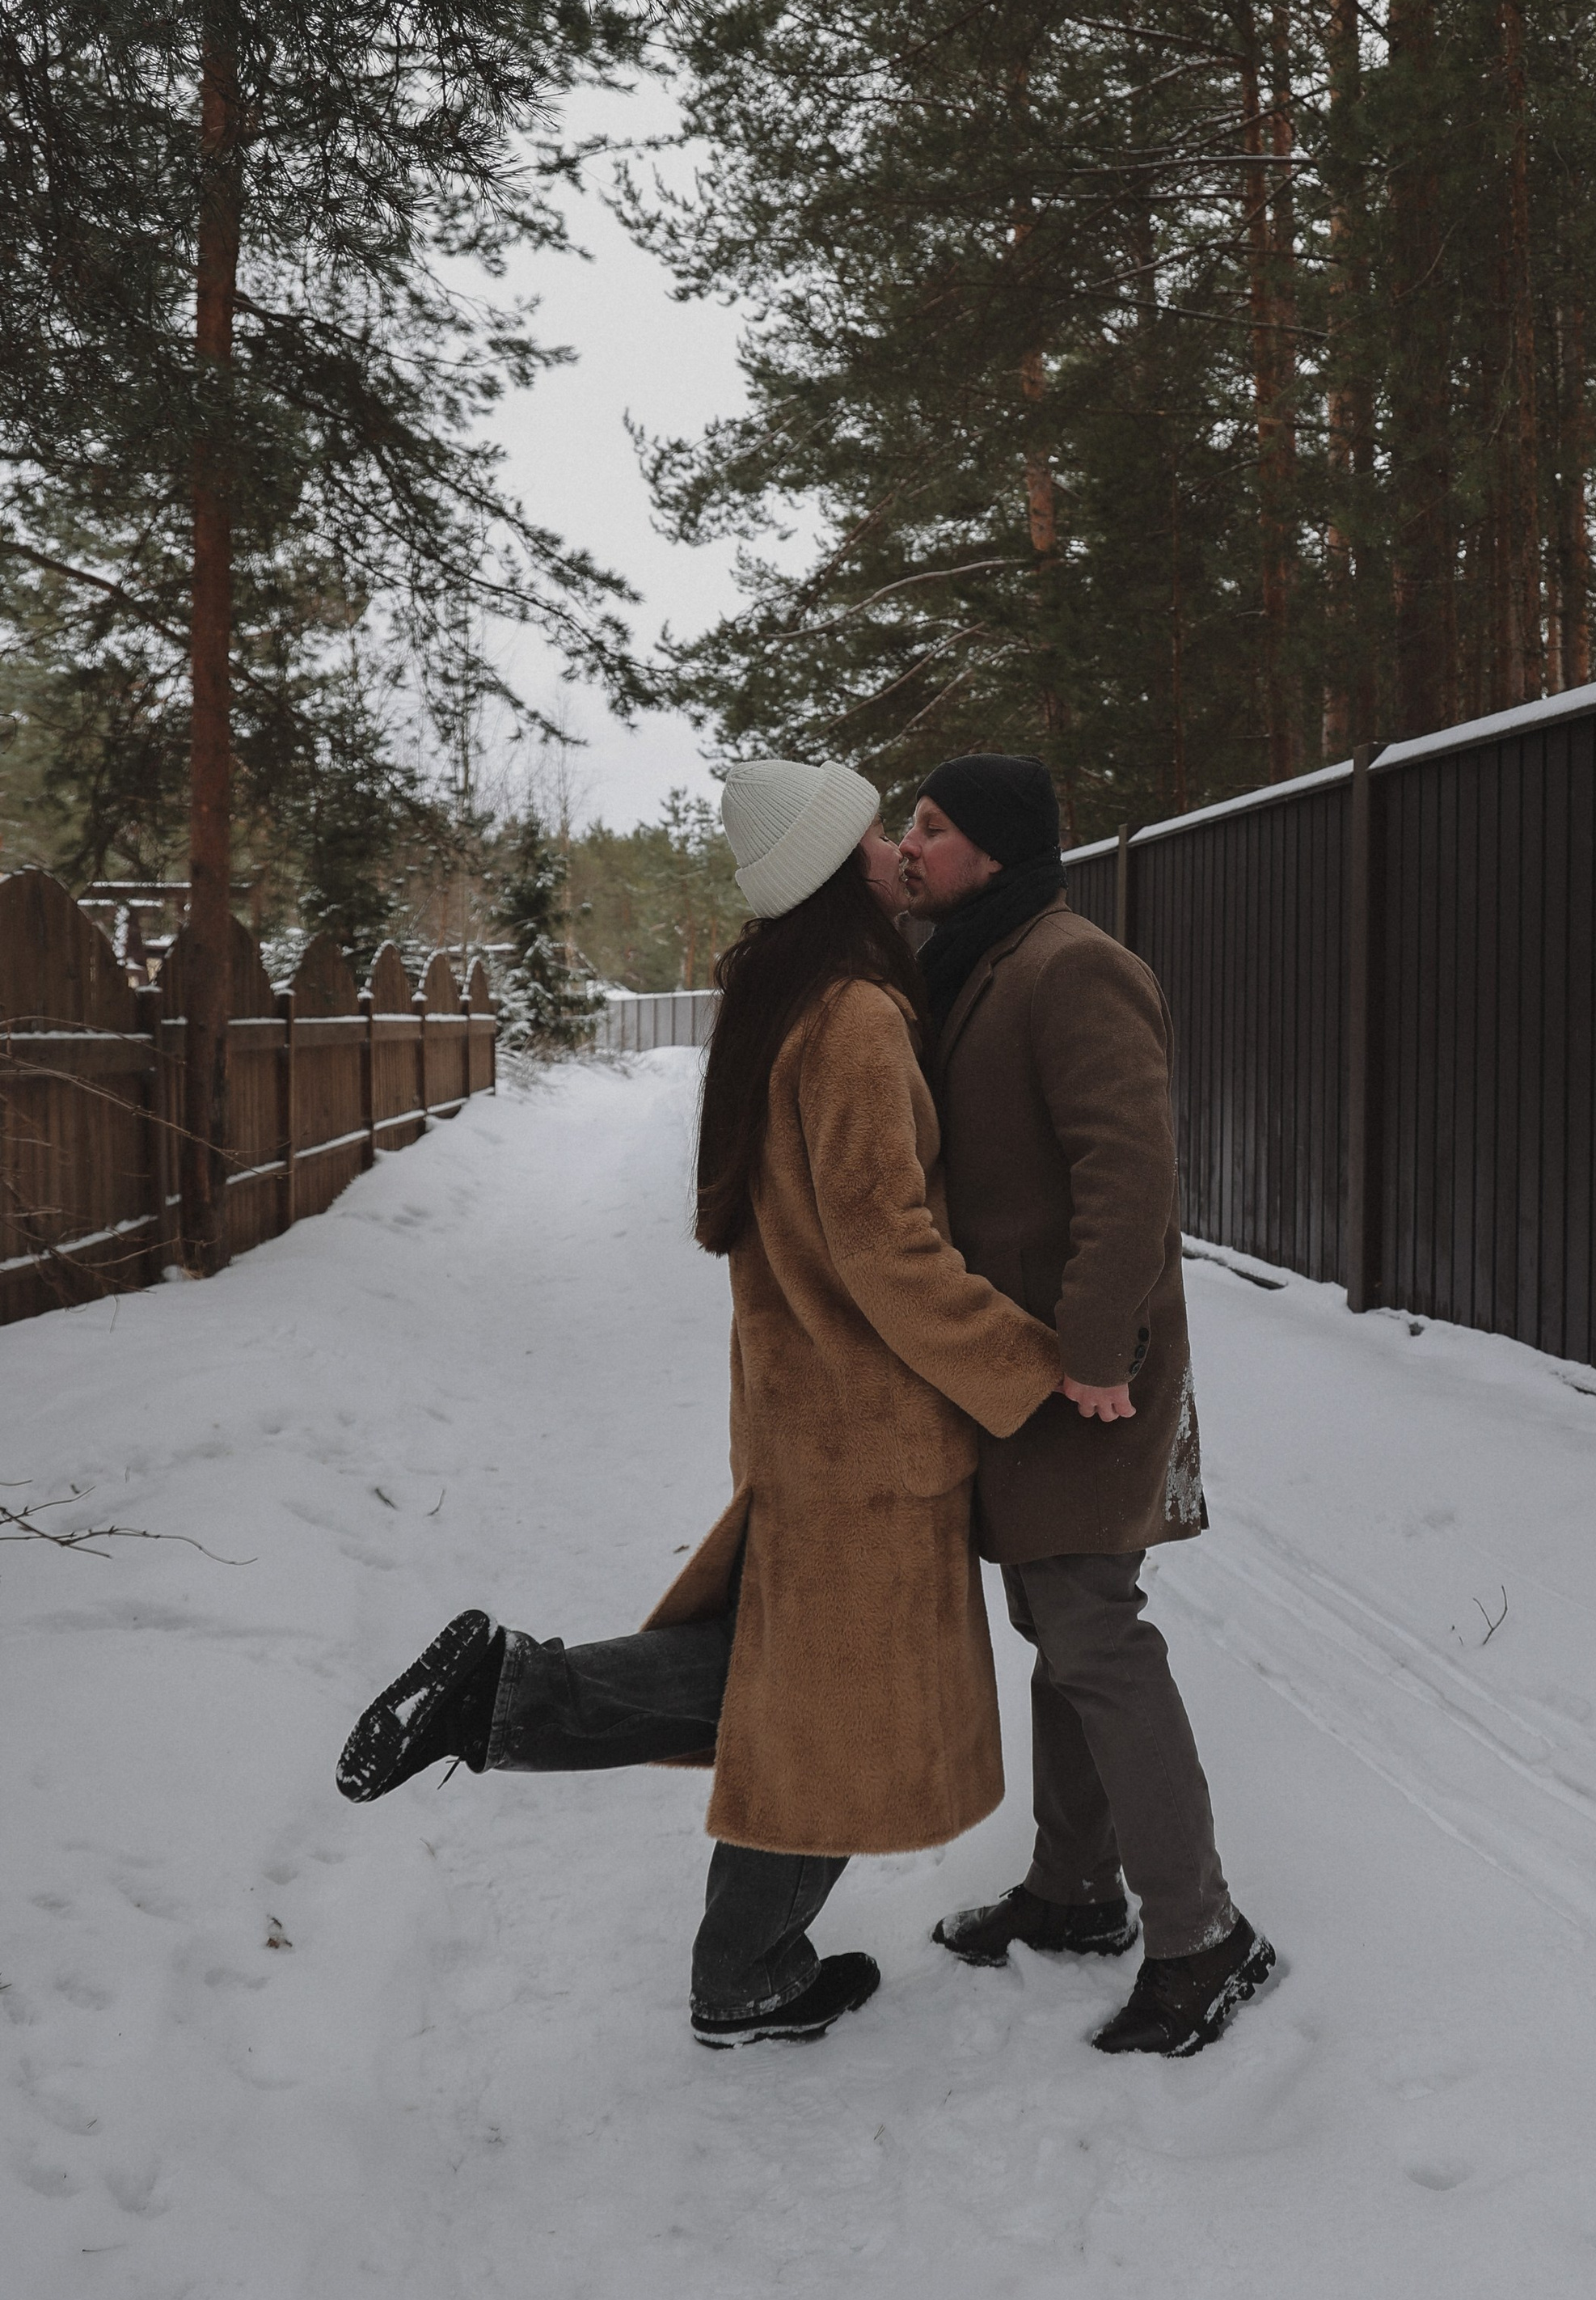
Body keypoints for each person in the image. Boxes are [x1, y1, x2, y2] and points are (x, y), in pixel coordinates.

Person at [335, 759, 1061, 2049]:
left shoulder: (784, 997)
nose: (902, 849)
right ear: (843, 863)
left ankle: (520, 1712)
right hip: (870, 1425)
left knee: (792, 1678)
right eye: (883, 831)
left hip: (807, 1412)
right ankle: (733, 1961)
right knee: (842, 1704)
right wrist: (1027, 1367)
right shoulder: (849, 1016)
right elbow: (885, 1244)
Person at [900, 753, 1273, 2059]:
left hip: (1086, 1368)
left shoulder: (1072, 966)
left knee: (1092, 1629)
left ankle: (1206, 1936)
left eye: (931, 829)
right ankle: (1073, 1893)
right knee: (1056, 1618)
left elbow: (1131, 1174)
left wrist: (1100, 1352)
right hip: (1024, 1362)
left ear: (992, 852)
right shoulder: (977, 962)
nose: (909, 846)